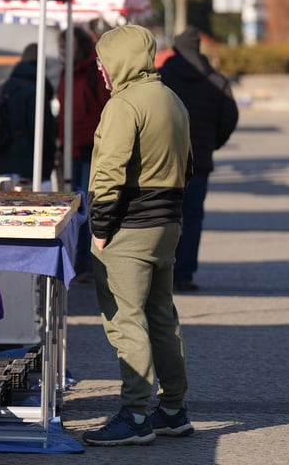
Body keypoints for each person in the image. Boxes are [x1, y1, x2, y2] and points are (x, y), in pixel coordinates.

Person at [82, 25, 193, 447]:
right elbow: (189, 165)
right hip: (167, 225)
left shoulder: (124, 105)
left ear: (121, 60)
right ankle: (172, 410)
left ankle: (134, 415)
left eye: (102, 62)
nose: (101, 71)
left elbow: (108, 172)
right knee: (161, 316)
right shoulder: (172, 99)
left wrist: (100, 228)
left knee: (126, 321)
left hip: (130, 228)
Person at [159, 27, 239, 291]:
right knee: (193, 217)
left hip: (166, 159)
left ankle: (163, 273)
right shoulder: (216, 80)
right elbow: (230, 116)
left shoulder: (163, 77)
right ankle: (185, 273)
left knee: (165, 216)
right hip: (200, 160)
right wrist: (212, 143)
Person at [57, 27, 111, 280]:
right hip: (71, 148)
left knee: (88, 204)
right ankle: (77, 258)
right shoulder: (67, 73)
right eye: (61, 47)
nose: (64, 51)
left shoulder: (92, 73)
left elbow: (105, 109)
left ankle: (87, 260)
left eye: (68, 46)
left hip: (91, 147)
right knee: (72, 206)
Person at [0, 43, 57, 184]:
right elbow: (42, 130)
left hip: (4, 160)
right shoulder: (36, 91)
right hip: (32, 164)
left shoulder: (5, 87)